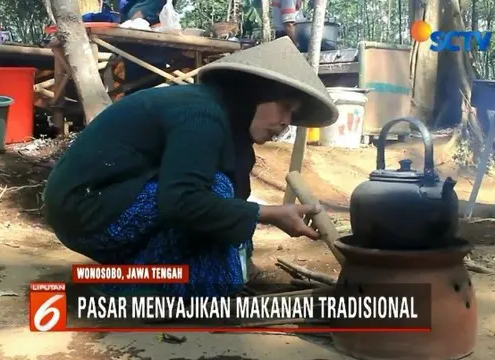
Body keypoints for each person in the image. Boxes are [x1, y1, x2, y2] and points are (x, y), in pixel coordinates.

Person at [42, 37, 339, 298]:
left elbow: (232, 205)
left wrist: (241, 257)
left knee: (220, 282)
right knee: (216, 190)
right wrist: (268, 215)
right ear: (254, 95)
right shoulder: (201, 114)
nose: (286, 122)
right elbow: (181, 201)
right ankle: (129, 287)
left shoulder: (229, 130)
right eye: (284, 107)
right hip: (86, 213)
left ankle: (142, 275)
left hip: (121, 201)